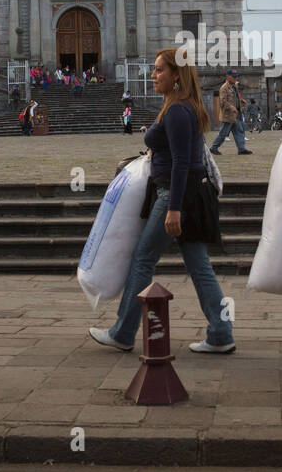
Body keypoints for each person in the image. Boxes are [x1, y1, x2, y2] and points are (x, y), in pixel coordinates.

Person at [90, 48, 234, 354]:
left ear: (177, 76)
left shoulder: (178, 110)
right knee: (199, 266)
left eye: (159, 70)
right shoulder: (179, 107)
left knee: (143, 260)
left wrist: (173, 209)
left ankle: (123, 332)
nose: (153, 75)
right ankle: (221, 333)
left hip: (175, 194)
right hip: (187, 194)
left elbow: (183, 162)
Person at [209, 69, 251, 155]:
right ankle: (213, 147)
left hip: (236, 114)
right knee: (223, 134)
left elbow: (234, 97)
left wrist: (241, 100)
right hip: (228, 115)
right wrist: (232, 107)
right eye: (234, 76)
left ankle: (241, 149)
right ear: (228, 77)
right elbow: (222, 102)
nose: (236, 78)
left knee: (239, 131)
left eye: (236, 76)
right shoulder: (223, 88)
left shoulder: (234, 86)